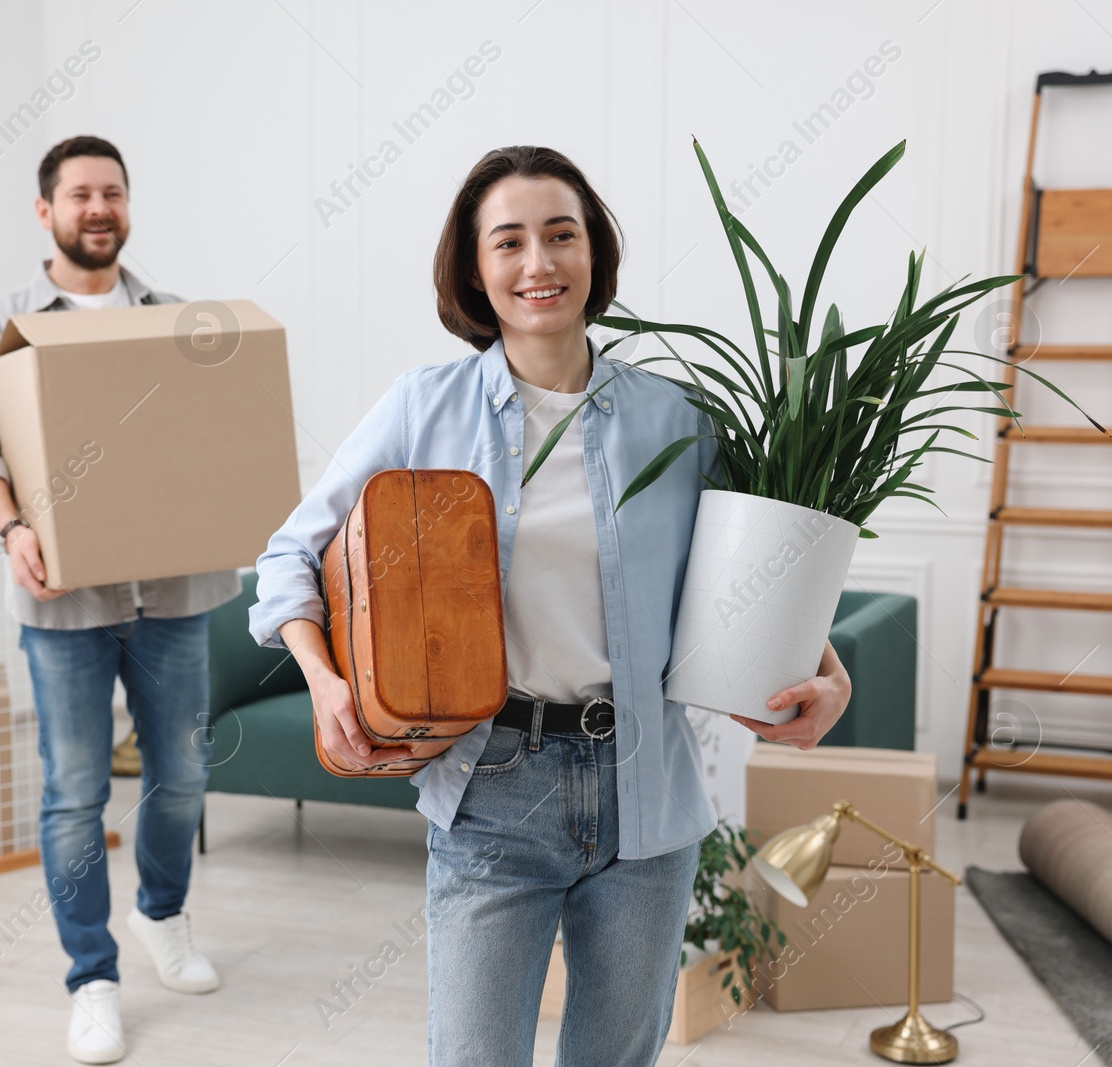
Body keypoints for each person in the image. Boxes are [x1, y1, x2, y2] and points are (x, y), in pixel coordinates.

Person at [248, 145, 851, 1065]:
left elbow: (761, 576)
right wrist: (327, 683)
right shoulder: (424, 406)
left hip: (648, 794)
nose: (540, 264)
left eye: (561, 235)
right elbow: (290, 554)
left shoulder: (679, 420)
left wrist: (824, 671)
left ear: (594, 255)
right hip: (494, 790)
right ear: (476, 270)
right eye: (510, 242)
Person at [0, 135, 240, 1065]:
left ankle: (162, 913)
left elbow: (214, 440)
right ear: (47, 211)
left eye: (113, 191)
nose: (99, 207)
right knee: (75, 793)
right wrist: (14, 529)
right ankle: (92, 977)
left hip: (175, 590)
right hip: (62, 600)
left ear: (127, 204)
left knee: (181, 776)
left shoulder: (179, 320)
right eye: (80, 194)